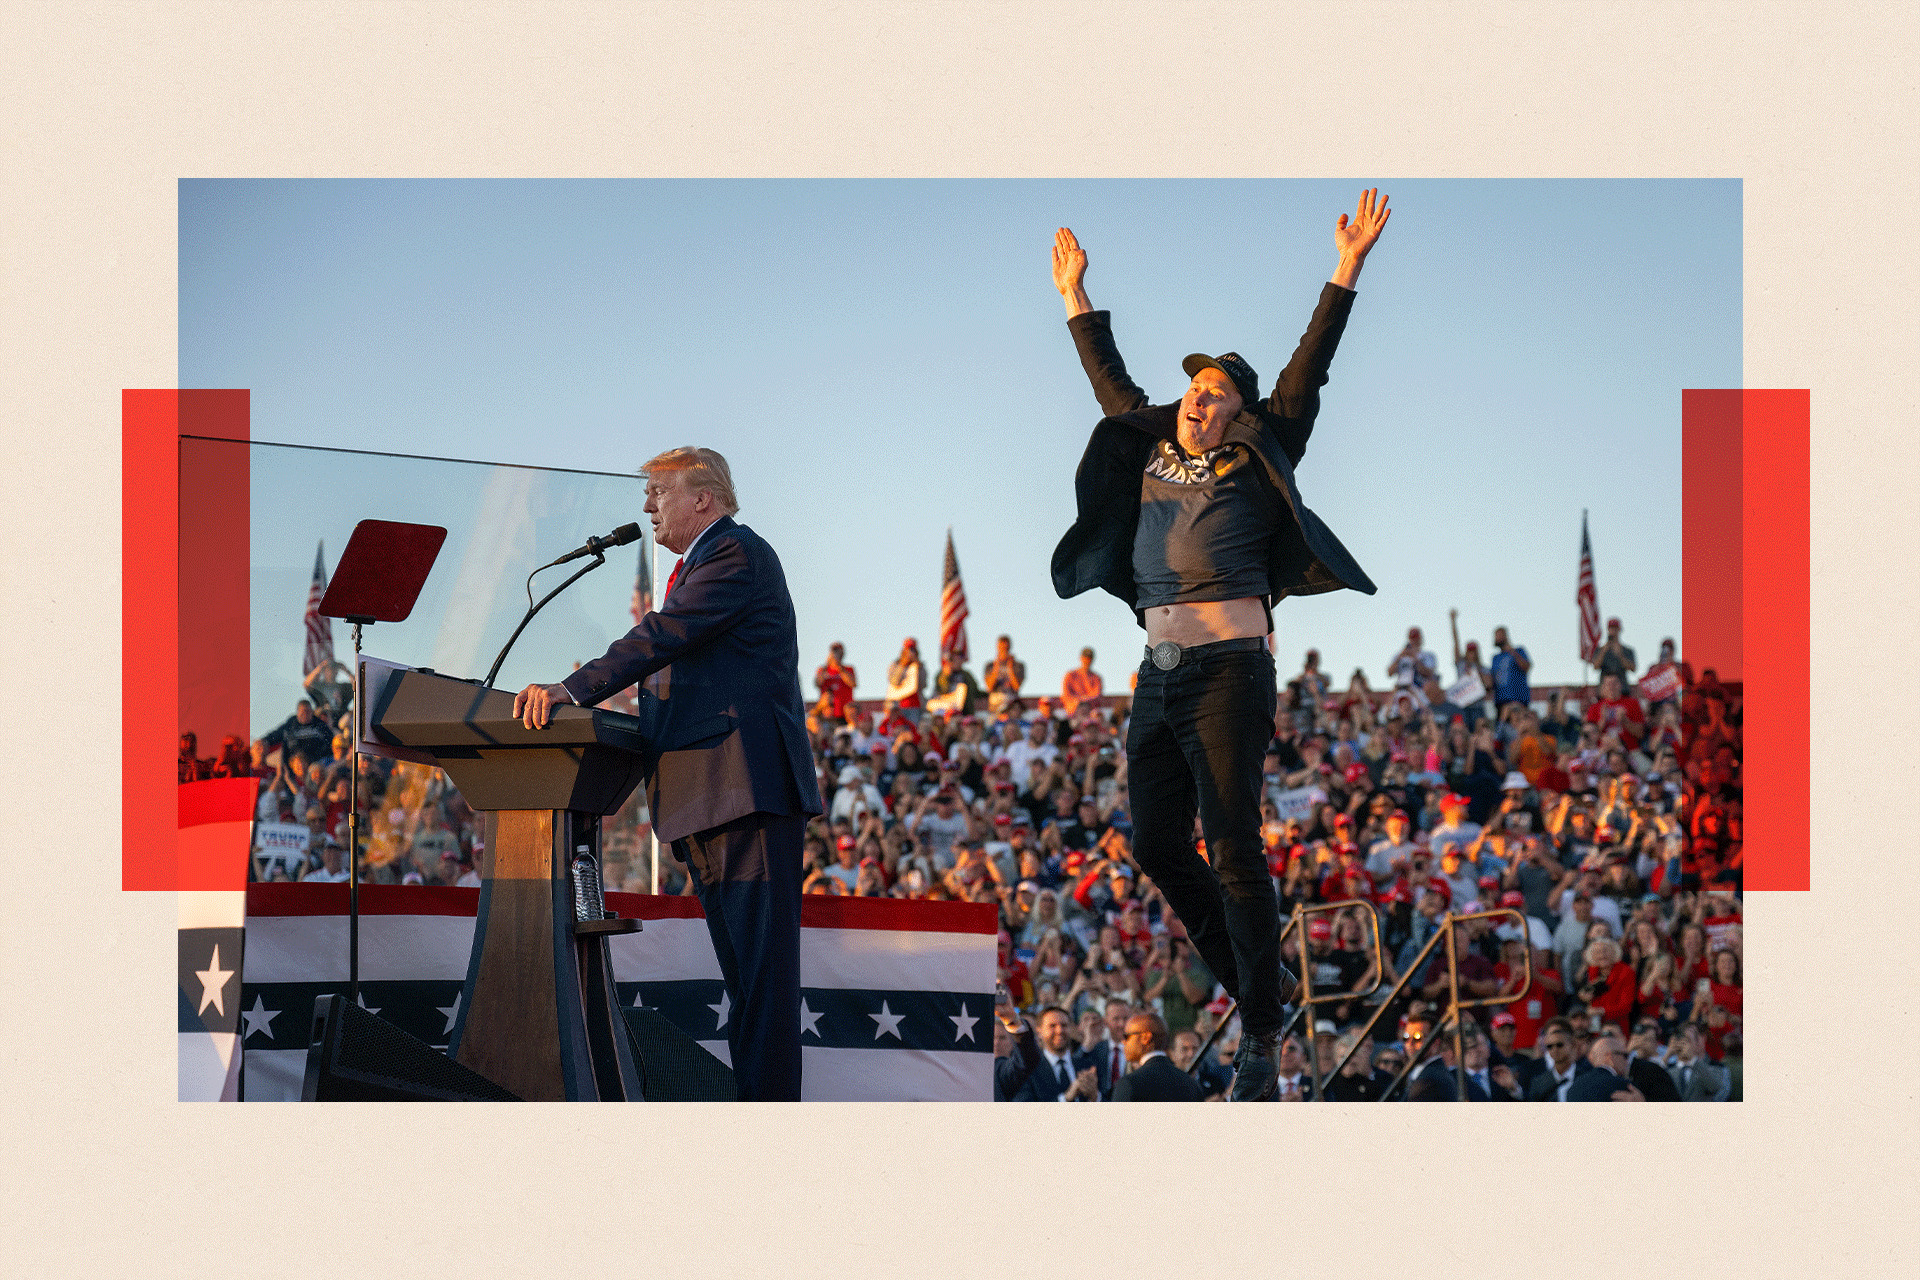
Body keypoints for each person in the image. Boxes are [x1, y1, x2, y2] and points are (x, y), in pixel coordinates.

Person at [1046, 190, 1391, 1100]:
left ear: (1238, 411)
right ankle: (1260, 985)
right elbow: (1109, 384)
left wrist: (1346, 268)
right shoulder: (1154, 441)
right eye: (1195, 389)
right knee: (1158, 844)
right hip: (1157, 676)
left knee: (1234, 843)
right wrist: (1076, 298)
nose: (1200, 400)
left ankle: (1264, 1032)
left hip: (1231, 671)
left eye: (1217, 393)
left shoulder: (1260, 447)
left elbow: (1309, 370)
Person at [513, 447, 823, 1101]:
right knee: (748, 988)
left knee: (762, 992)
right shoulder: (701, 565)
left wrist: (574, 689)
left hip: (745, 795)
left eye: (659, 491)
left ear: (702, 498)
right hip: (714, 799)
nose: (647, 505)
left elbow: (660, 636)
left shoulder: (734, 555)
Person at [1111, 1011, 1205, 1102]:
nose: (1123, 1042)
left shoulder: (1129, 1084)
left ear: (1145, 1038)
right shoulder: (1191, 1084)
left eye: (1127, 1036)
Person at [1489, 625, 1532, 712]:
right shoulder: (1495, 658)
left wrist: (1512, 652)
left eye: (1498, 635)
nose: (1496, 638)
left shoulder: (1519, 651)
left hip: (1518, 699)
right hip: (1500, 702)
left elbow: (1526, 666)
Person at [1060, 646, 1104, 714]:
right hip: (1073, 713)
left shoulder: (1096, 678)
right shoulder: (1070, 675)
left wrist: (1085, 700)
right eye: (1085, 658)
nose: (1087, 661)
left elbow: (1097, 696)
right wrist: (1078, 701)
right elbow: (1066, 695)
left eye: (1089, 659)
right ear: (1081, 658)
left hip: (1090, 713)